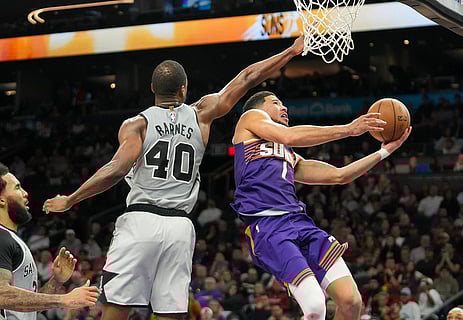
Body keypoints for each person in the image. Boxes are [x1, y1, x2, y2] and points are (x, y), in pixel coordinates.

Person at [42, 37, 305, 320]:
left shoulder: (136, 124)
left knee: (115, 309)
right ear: (184, 88)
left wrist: (71, 199)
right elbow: (248, 77)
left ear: (153, 88)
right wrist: (290, 51)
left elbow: (116, 169)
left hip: (139, 222)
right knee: (172, 314)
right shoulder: (201, 114)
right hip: (179, 226)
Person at [230, 91, 411, 320]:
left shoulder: (289, 155)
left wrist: (385, 151)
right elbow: (290, 135)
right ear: (259, 108)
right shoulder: (249, 119)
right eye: (276, 103)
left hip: (299, 223)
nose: (284, 107)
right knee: (316, 307)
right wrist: (350, 129)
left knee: (351, 301)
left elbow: (339, 176)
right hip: (268, 227)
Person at [0, 163, 99, 320]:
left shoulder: (11, 239)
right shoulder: (2, 238)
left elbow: (27, 309)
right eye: (18, 188)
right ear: (2, 201)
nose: (25, 193)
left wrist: (56, 281)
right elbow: (1, 295)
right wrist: (64, 299)